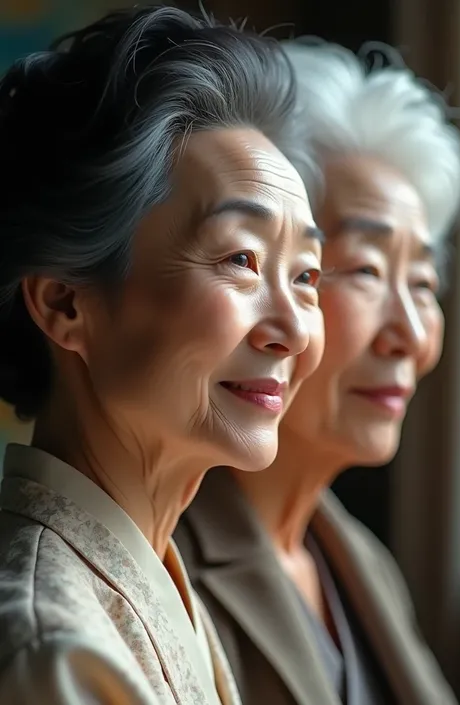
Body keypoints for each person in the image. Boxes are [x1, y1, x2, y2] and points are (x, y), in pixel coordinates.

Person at [0, 10, 325, 705]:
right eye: (241, 258)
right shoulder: (53, 652)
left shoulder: (153, 570)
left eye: (305, 275)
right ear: (64, 304)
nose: (294, 329)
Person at [175, 39, 460, 705]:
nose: (413, 335)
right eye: (364, 269)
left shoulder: (358, 562)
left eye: (422, 283)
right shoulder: (165, 566)